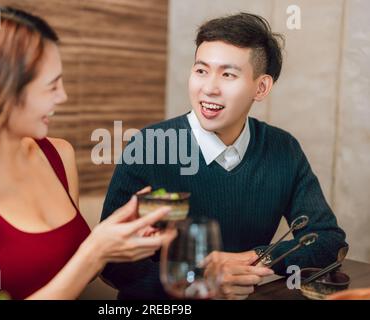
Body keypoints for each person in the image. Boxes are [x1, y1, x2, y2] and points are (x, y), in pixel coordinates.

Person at [0, 7, 173, 300]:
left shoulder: (58, 155)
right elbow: (83, 261)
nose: (63, 96)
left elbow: (70, 269)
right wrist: (94, 251)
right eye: (52, 85)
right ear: (1, 92)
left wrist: (115, 235)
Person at [100, 13, 347, 300]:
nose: (209, 88)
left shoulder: (283, 148)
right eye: (201, 71)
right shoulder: (150, 147)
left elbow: (328, 240)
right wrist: (203, 278)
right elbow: (111, 263)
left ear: (261, 87)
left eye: (228, 74)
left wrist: (257, 259)